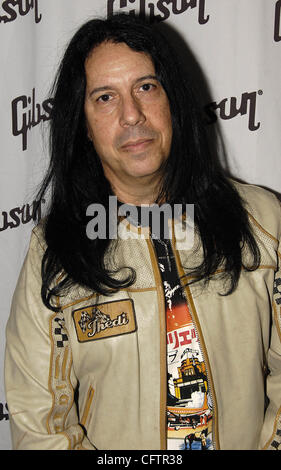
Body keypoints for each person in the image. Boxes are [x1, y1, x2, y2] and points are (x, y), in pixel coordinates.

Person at [4, 13, 281, 451]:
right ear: (84, 127)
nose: (132, 114)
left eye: (146, 87)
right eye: (105, 98)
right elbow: (39, 422)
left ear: (173, 100)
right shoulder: (53, 251)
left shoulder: (264, 221)